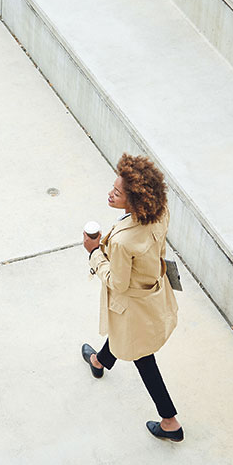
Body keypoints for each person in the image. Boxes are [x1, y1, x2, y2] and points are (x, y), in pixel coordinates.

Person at [81, 153, 182, 442]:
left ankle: (170, 422)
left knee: (141, 356)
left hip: (134, 304)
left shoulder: (125, 243)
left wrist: (94, 253)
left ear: (135, 199)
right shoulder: (159, 212)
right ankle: (100, 362)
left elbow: (118, 283)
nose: (110, 193)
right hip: (152, 293)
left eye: (117, 192)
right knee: (125, 333)